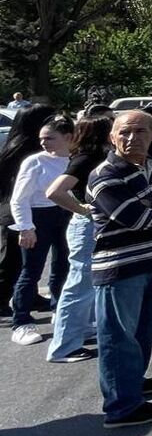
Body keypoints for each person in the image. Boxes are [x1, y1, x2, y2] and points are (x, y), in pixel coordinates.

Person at [89, 110, 152, 428]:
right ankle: (122, 407)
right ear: (112, 137)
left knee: (143, 329)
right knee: (118, 338)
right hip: (120, 268)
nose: (132, 138)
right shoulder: (104, 175)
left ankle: (133, 383)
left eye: (140, 131)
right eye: (124, 132)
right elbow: (137, 219)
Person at [44, 115, 112, 363]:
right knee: (79, 286)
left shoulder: (90, 156)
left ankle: (79, 330)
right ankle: (64, 347)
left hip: (91, 226)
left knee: (86, 285)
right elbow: (54, 191)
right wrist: (83, 210)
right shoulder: (86, 159)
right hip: (86, 227)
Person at [9, 115, 74, 345]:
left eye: (49, 138)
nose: (44, 143)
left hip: (67, 214)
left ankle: (60, 310)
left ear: (68, 137)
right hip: (38, 216)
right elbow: (19, 198)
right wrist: (26, 227)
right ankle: (21, 322)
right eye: (41, 139)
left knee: (64, 266)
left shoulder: (74, 159)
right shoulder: (35, 161)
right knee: (31, 270)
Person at [0, 105, 57, 320]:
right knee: (13, 261)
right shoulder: (26, 151)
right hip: (17, 211)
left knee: (27, 261)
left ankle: (30, 296)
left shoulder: (19, 146)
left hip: (18, 209)